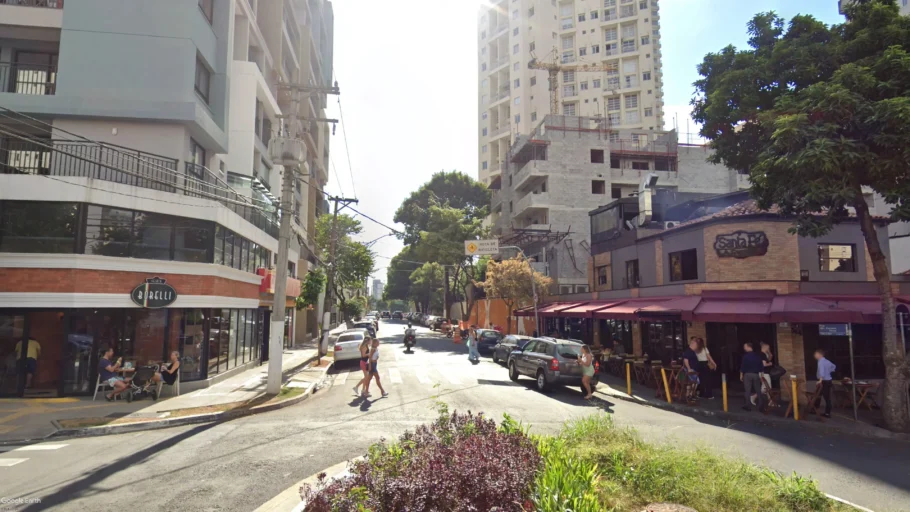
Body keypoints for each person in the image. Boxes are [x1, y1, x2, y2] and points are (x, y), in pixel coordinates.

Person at [740, 342, 764, 411]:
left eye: (745, 347)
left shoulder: (745, 356)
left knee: (747, 390)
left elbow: (743, 366)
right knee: (758, 390)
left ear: (748, 347)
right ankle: (761, 406)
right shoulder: (757, 356)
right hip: (756, 374)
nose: (744, 348)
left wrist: (741, 375)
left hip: (747, 375)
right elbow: (761, 367)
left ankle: (748, 406)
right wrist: (762, 376)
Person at [814, 349, 836, 418]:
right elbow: (834, 366)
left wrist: (820, 380)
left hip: (824, 381)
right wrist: (829, 371)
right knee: (818, 396)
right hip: (828, 380)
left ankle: (827, 413)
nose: (815, 355)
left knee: (826, 397)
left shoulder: (820, 361)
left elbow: (821, 372)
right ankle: (815, 409)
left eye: (816, 354)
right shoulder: (827, 361)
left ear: (820, 355)